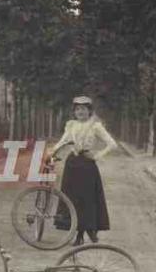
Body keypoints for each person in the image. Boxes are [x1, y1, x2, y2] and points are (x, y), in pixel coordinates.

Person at [48, 96, 118, 245]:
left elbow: (112, 144)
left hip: (87, 166)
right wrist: (52, 153)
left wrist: (97, 156)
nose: (80, 112)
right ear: (74, 111)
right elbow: (63, 141)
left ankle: (90, 230)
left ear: (89, 111)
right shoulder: (70, 125)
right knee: (72, 199)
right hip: (72, 164)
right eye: (78, 109)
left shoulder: (95, 126)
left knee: (88, 199)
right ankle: (78, 235)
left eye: (84, 109)